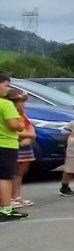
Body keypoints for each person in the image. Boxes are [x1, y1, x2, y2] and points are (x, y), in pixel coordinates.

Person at [0, 76, 23, 221]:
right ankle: (6, 208)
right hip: (5, 144)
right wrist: (20, 125)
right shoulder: (6, 104)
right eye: (6, 86)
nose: (8, 90)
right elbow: (14, 125)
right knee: (5, 177)